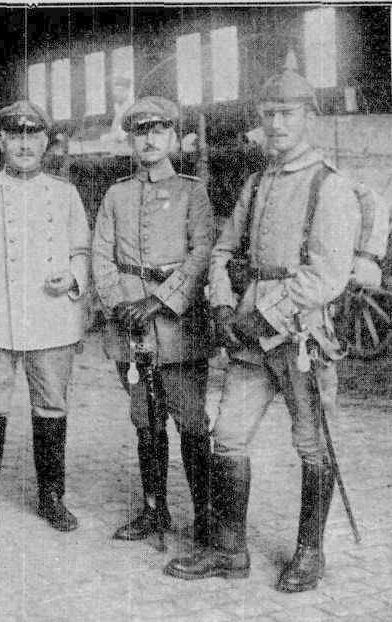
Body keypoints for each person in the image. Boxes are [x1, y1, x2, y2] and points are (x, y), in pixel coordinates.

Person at [164, 56, 360, 592]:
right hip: (250, 337)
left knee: (312, 444)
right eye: (269, 113)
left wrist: (261, 316)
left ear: (309, 119)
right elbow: (224, 249)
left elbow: (326, 276)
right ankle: (229, 551)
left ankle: (310, 552)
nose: (276, 124)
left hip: (302, 338)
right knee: (227, 438)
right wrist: (225, 305)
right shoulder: (256, 183)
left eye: (288, 113)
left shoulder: (329, 187)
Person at [0, 100, 90, 536]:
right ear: (1, 142)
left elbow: (83, 251)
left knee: (52, 406)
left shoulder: (65, 194)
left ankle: (52, 496)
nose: (25, 144)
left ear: (46, 142)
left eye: (34, 136)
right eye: (16, 136)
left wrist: (73, 276)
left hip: (51, 321)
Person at [92, 96, 215, 544]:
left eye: (158, 130)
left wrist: (161, 300)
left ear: (172, 137)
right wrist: (118, 302)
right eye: (140, 131)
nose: (149, 139)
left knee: (191, 420)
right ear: (130, 139)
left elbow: (203, 252)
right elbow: (100, 255)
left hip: (177, 324)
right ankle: (154, 509)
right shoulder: (116, 193)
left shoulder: (191, 190)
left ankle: (204, 514)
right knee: (145, 418)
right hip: (129, 322)